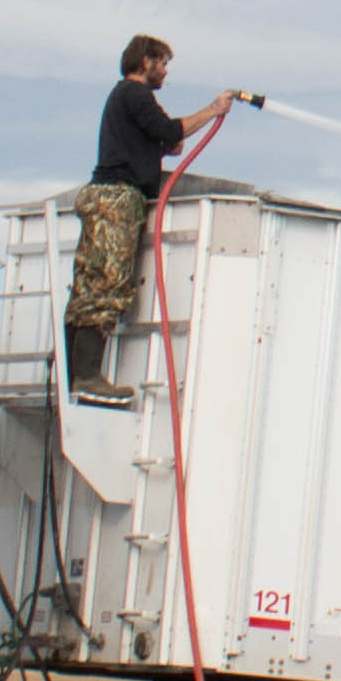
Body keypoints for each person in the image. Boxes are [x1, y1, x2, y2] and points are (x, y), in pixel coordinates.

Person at [68, 36, 254, 405]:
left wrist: (164, 142)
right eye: (163, 63)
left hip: (105, 195)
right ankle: (87, 376)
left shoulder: (123, 99)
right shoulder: (135, 95)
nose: (166, 72)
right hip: (117, 198)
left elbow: (163, 139)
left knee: (89, 284)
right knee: (106, 283)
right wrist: (214, 110)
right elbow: (170, 132)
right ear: (147, 61)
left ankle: (75, 372)